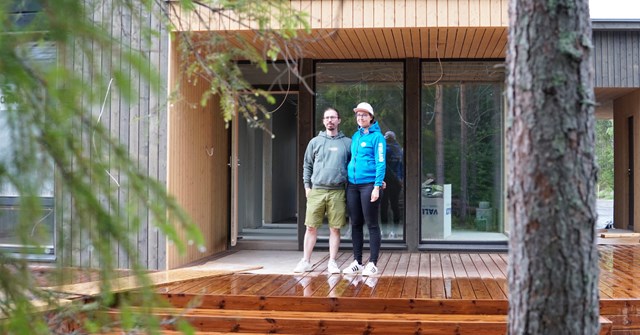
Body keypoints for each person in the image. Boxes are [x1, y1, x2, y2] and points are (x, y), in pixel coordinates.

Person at [294, 107, 351, 274]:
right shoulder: (315, 142)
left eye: (333, 117)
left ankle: (332, 262)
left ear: (339, 120)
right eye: (327, 118)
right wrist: (307, 186)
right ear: (323, 121)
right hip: (317, 190)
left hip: (337, 191)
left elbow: (354, 166)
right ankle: (306, 261)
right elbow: (307, 165)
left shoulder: (347, 143)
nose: (330, 120)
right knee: (311, 227)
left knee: (335, 228)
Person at [342, 102, 386, 276]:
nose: (360, 117)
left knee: (372, 224)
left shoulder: (378, 137)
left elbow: (381, 163)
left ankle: (373, 263)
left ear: (371, 117)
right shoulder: (355, 136)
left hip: (369, 185)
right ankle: (357, 262)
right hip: (353, 186)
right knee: (356, 224)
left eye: (364, 115)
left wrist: (377, 185)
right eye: (358, 115)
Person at [381, 131, 403, 234]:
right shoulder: (399, 150)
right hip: (397, 181)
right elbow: (402, 166)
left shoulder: (384, 149)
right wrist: (401, 178)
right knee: (395, 205)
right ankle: (395, 230)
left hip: (385, 180)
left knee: (384, 205)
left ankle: (384, 230)